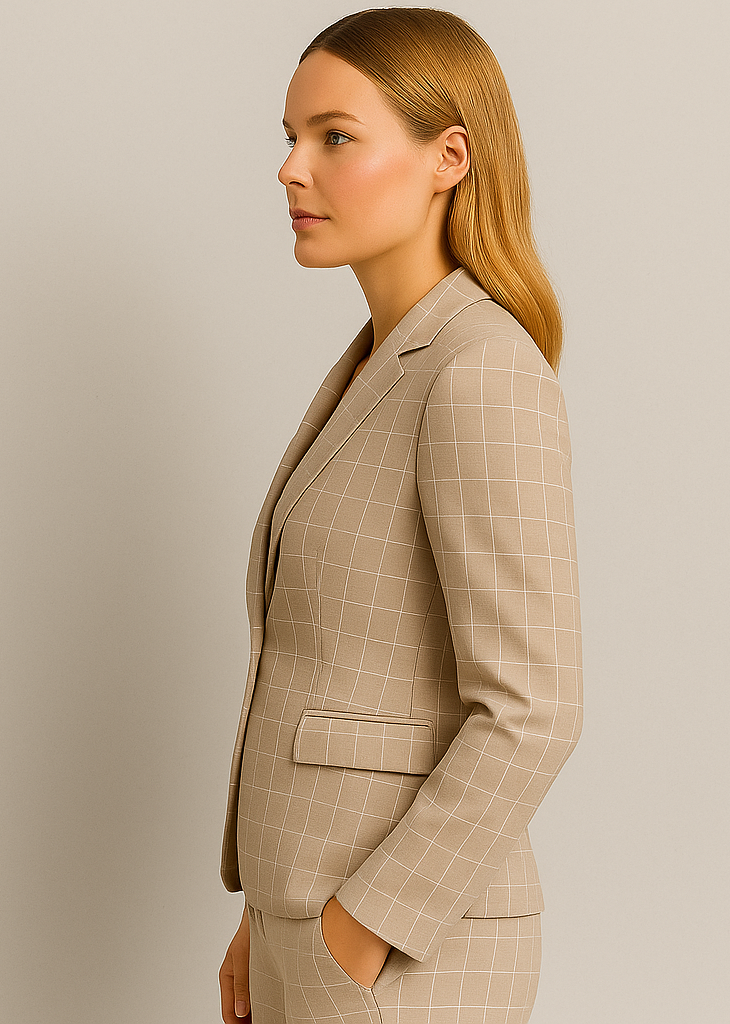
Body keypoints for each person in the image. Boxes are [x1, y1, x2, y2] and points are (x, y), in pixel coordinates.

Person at [219, 9, 582, 1023]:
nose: (291, 169)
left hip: (408, 949)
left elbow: (534, 708)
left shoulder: (481, 372)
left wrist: (362, 926)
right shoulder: (377, 365)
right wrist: (269, 915)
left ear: (447, 159)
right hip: (305, 917)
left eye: (334, 136)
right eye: (290, 137)